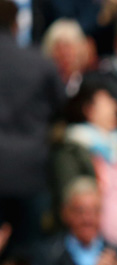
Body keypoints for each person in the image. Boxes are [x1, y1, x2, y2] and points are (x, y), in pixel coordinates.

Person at [0, 0, 63, 245]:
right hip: (31, 173)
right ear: (16, 25)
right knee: (30, 254)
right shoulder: (40, 63)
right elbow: (62, 108)